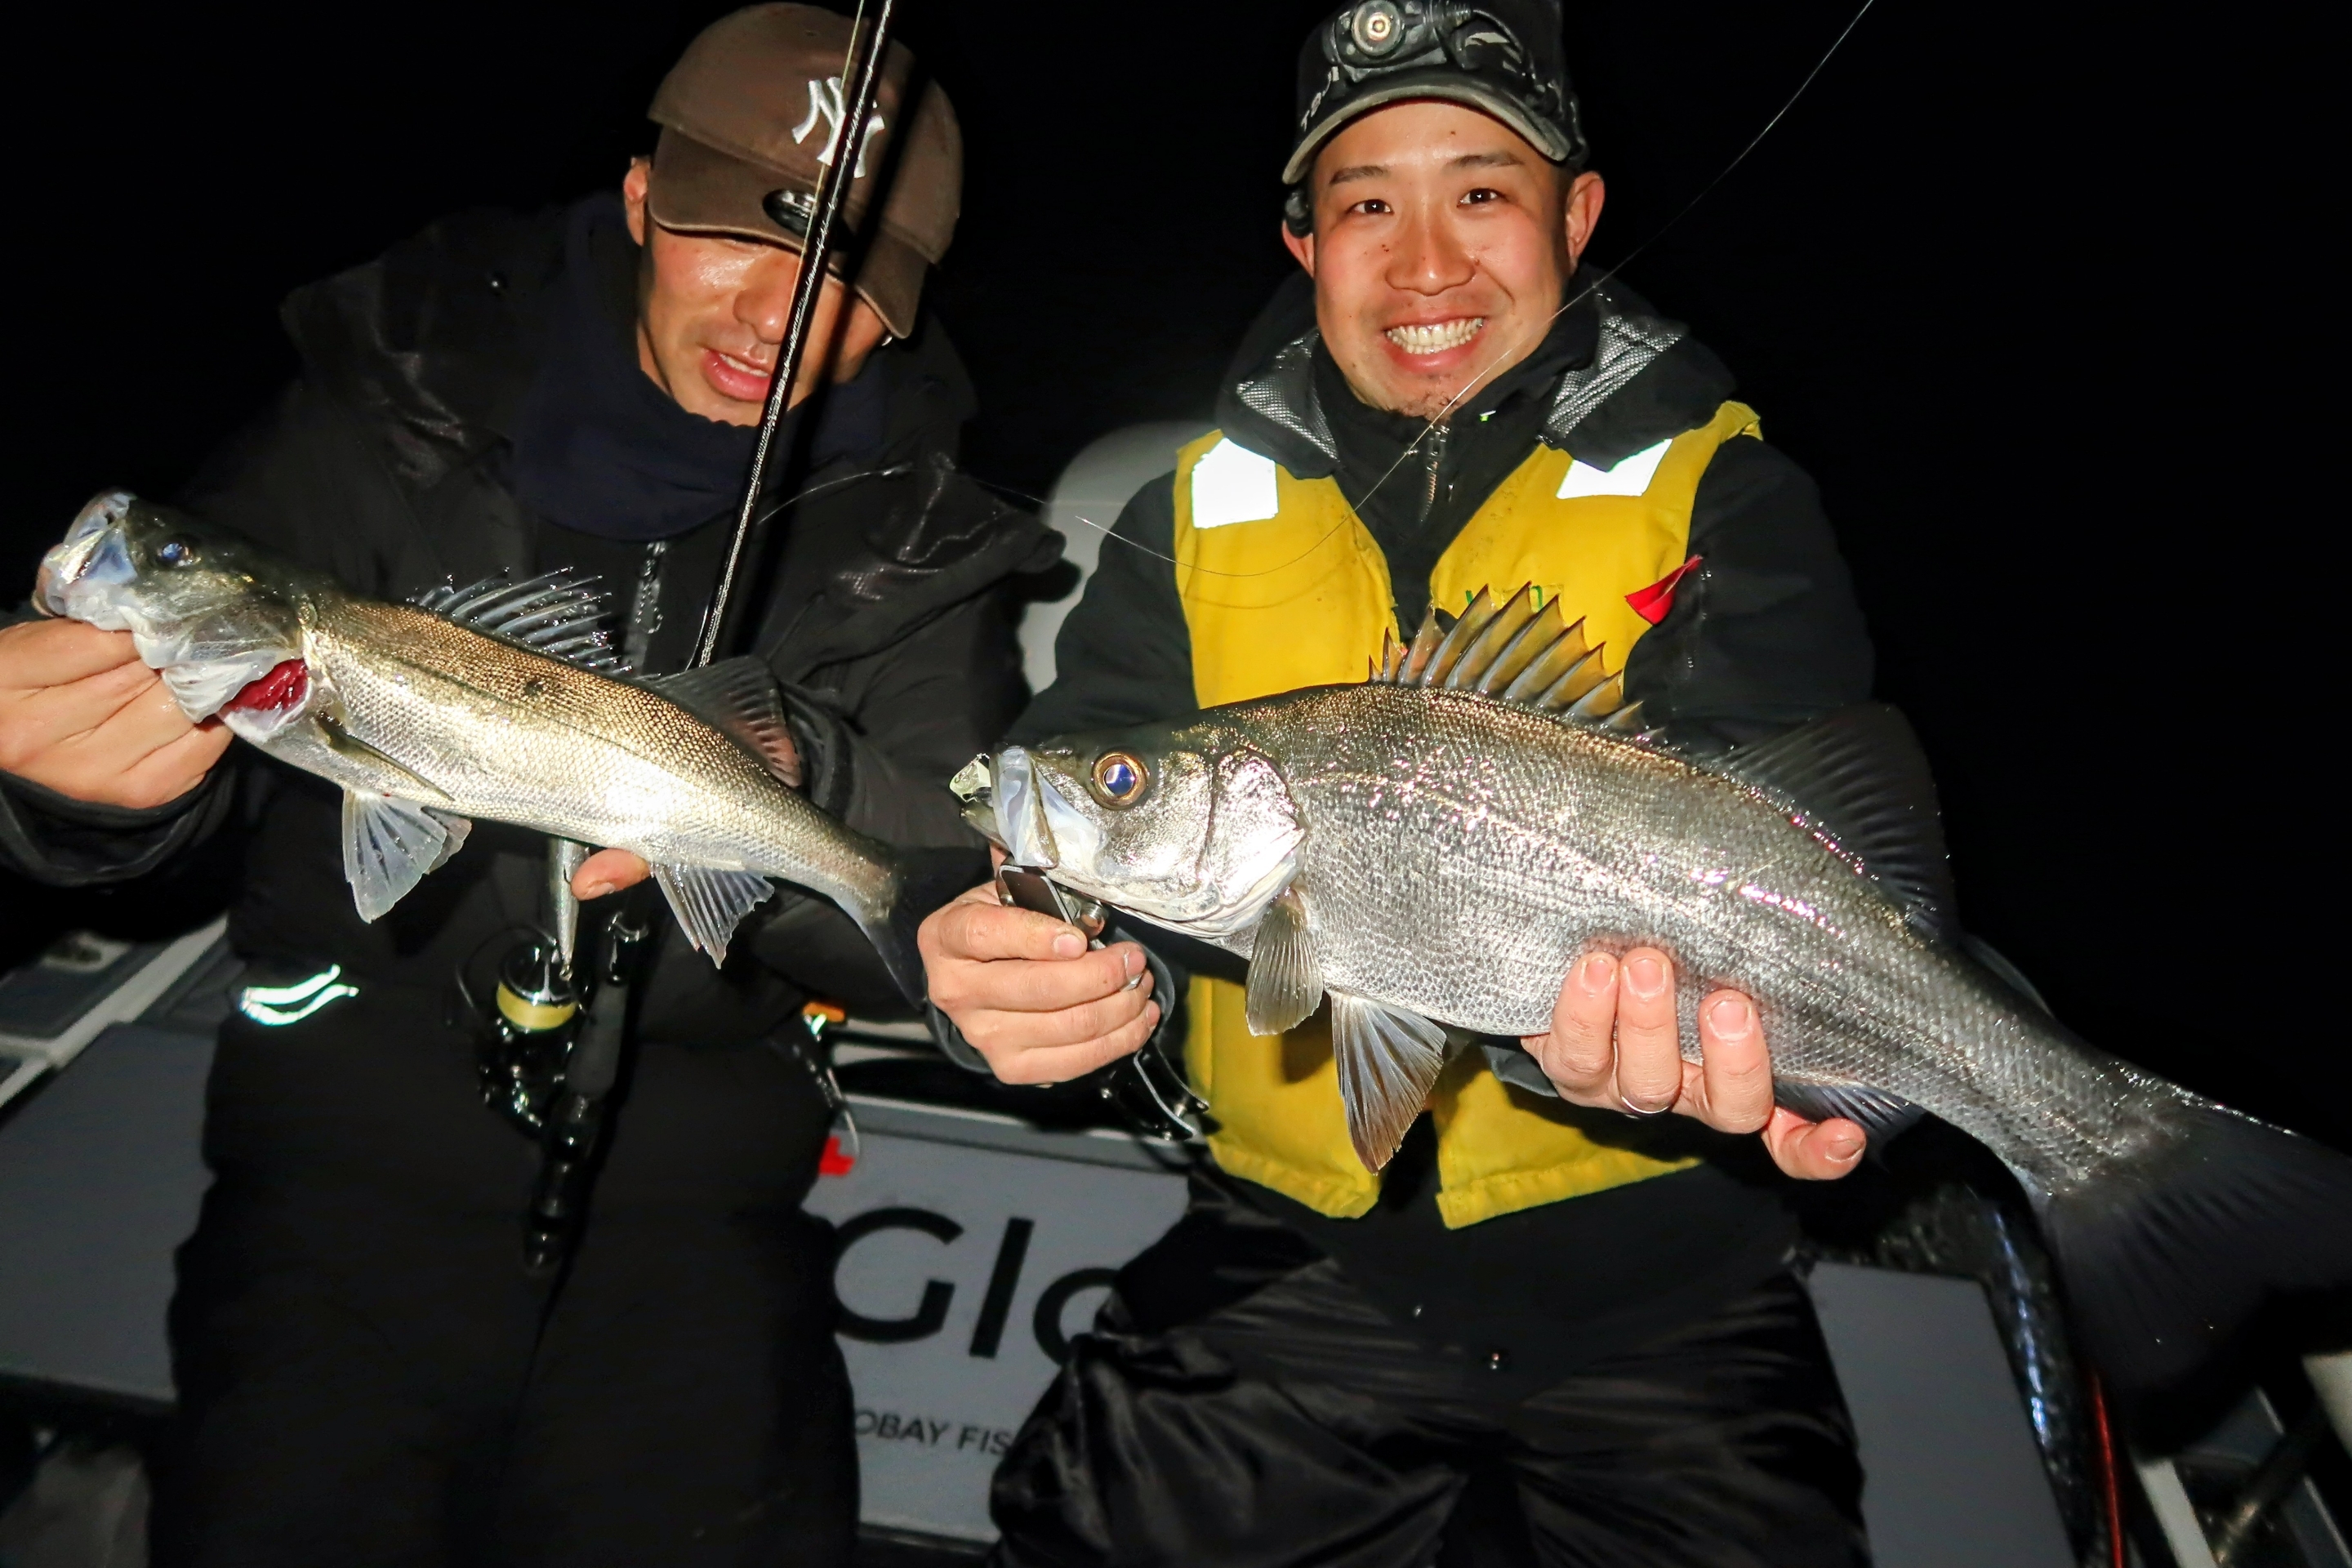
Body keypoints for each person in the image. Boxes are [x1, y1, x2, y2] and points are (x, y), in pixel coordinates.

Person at [0, 7, 1054, 1565]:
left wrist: (819, 809)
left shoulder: (931, 546)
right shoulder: (381, 411)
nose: (779, 309)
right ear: (639, 201)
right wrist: (82, 801)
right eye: (727, 237)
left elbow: (925, 896)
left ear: (902, 316)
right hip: (334, 1194)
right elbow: (176, 842)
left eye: (845, 276)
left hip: (699, 1224)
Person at [918, 2, 1882, 1562]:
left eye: (1482, 192)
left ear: (1577, 216)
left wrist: (1836, 1086)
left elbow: (1817, 851)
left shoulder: (1727, 491)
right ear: (1303, 242)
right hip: (1288, 1261)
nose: (1426, 263)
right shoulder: (1195, 507)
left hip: (1669, 1283)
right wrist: (1019, 947)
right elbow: (1097, 815)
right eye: (1369, 202)